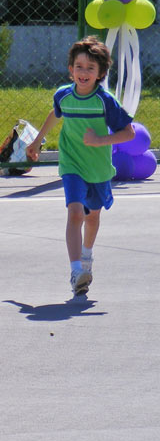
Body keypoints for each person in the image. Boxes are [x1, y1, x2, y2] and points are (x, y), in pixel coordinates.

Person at [26, 36, 134, 296]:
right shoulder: (63, 95)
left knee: (92, 216)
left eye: (90, 68)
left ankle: (86, 256)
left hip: (97, 169)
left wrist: (100, 140)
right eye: (79, 66)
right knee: (75, 213)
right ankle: (76, 271)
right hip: (71, 164)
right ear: (70, 69)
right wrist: (37, 141)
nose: (83, 72)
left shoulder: (104, 101)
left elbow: (128, 133)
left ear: (101, 74)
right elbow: (56, 113)